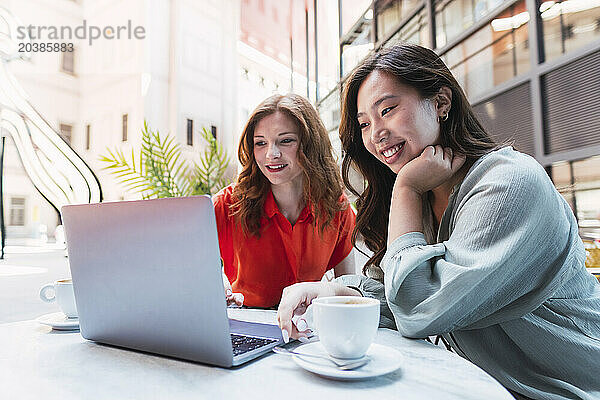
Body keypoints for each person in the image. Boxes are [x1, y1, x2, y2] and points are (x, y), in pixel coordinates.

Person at [277, 44, 600, 400]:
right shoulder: (429, 195)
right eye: (365, 123)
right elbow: (402, 294)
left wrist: (405, 189)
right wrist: (332, 292)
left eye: (388, 110)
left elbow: (420, 309)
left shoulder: (509, 184)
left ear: (441, 103)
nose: (376, 133)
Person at [214, 94, 356, 311]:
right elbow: (185, 273)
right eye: (260, 143)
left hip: (307, 333)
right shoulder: (226, 205)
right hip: (246, 325)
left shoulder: (337, 208)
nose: (271, 153)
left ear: (310, 145)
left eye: (285, 140)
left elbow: (350, 294)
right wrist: (217, 285)